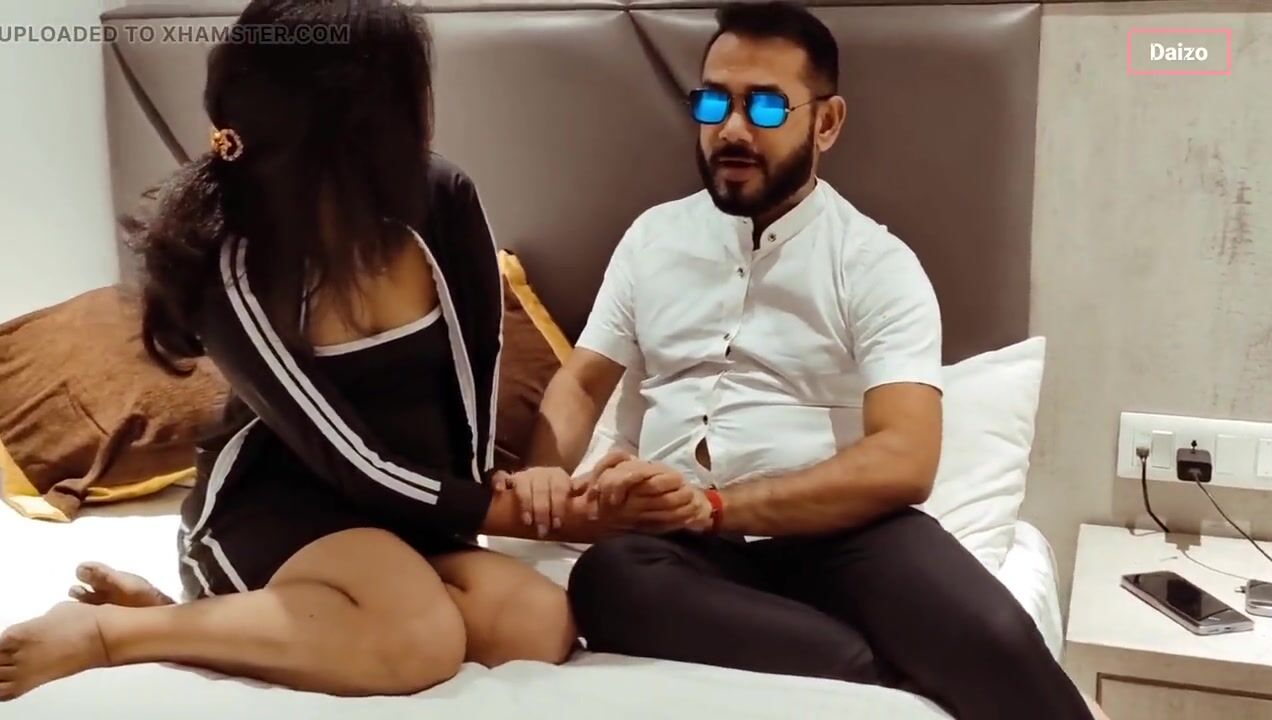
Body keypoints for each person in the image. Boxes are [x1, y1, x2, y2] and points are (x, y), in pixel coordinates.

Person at [0, 0, 683, 702]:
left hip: (415, 510)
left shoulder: (443, 199)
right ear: (360, 117)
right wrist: (545, 517)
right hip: (280, 509)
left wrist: (512, 494)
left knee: (535, 623)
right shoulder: (233, 252)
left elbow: (474, 380)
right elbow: (349, 460)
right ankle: (114, 632)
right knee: (417, 639)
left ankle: (206, 624)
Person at [506, 3, 1104, 719]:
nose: (732, 129)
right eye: (714, 102)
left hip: (843, 538)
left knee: (995, 633)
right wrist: (545, 470)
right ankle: (874, 670)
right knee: (609, 580)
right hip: (680, 552)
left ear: (827, 122)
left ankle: (861, 661)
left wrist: (715, 506)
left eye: (764, 105)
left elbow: (905, 458)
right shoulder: (650, 241)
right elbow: (582, 382)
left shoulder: (875, 263)